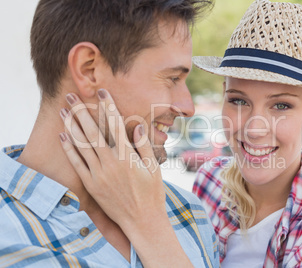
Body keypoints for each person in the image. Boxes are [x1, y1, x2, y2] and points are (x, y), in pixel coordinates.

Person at [56, 0, 302, 267]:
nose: (254, 127)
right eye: (238, 101)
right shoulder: (211, 181)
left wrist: (145, 222)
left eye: (281, 106)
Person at [0, 0, 219, 267]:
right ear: (88, 69)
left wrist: (151, 227)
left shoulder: (187, 212)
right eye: (172, 78)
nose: (188, 107)